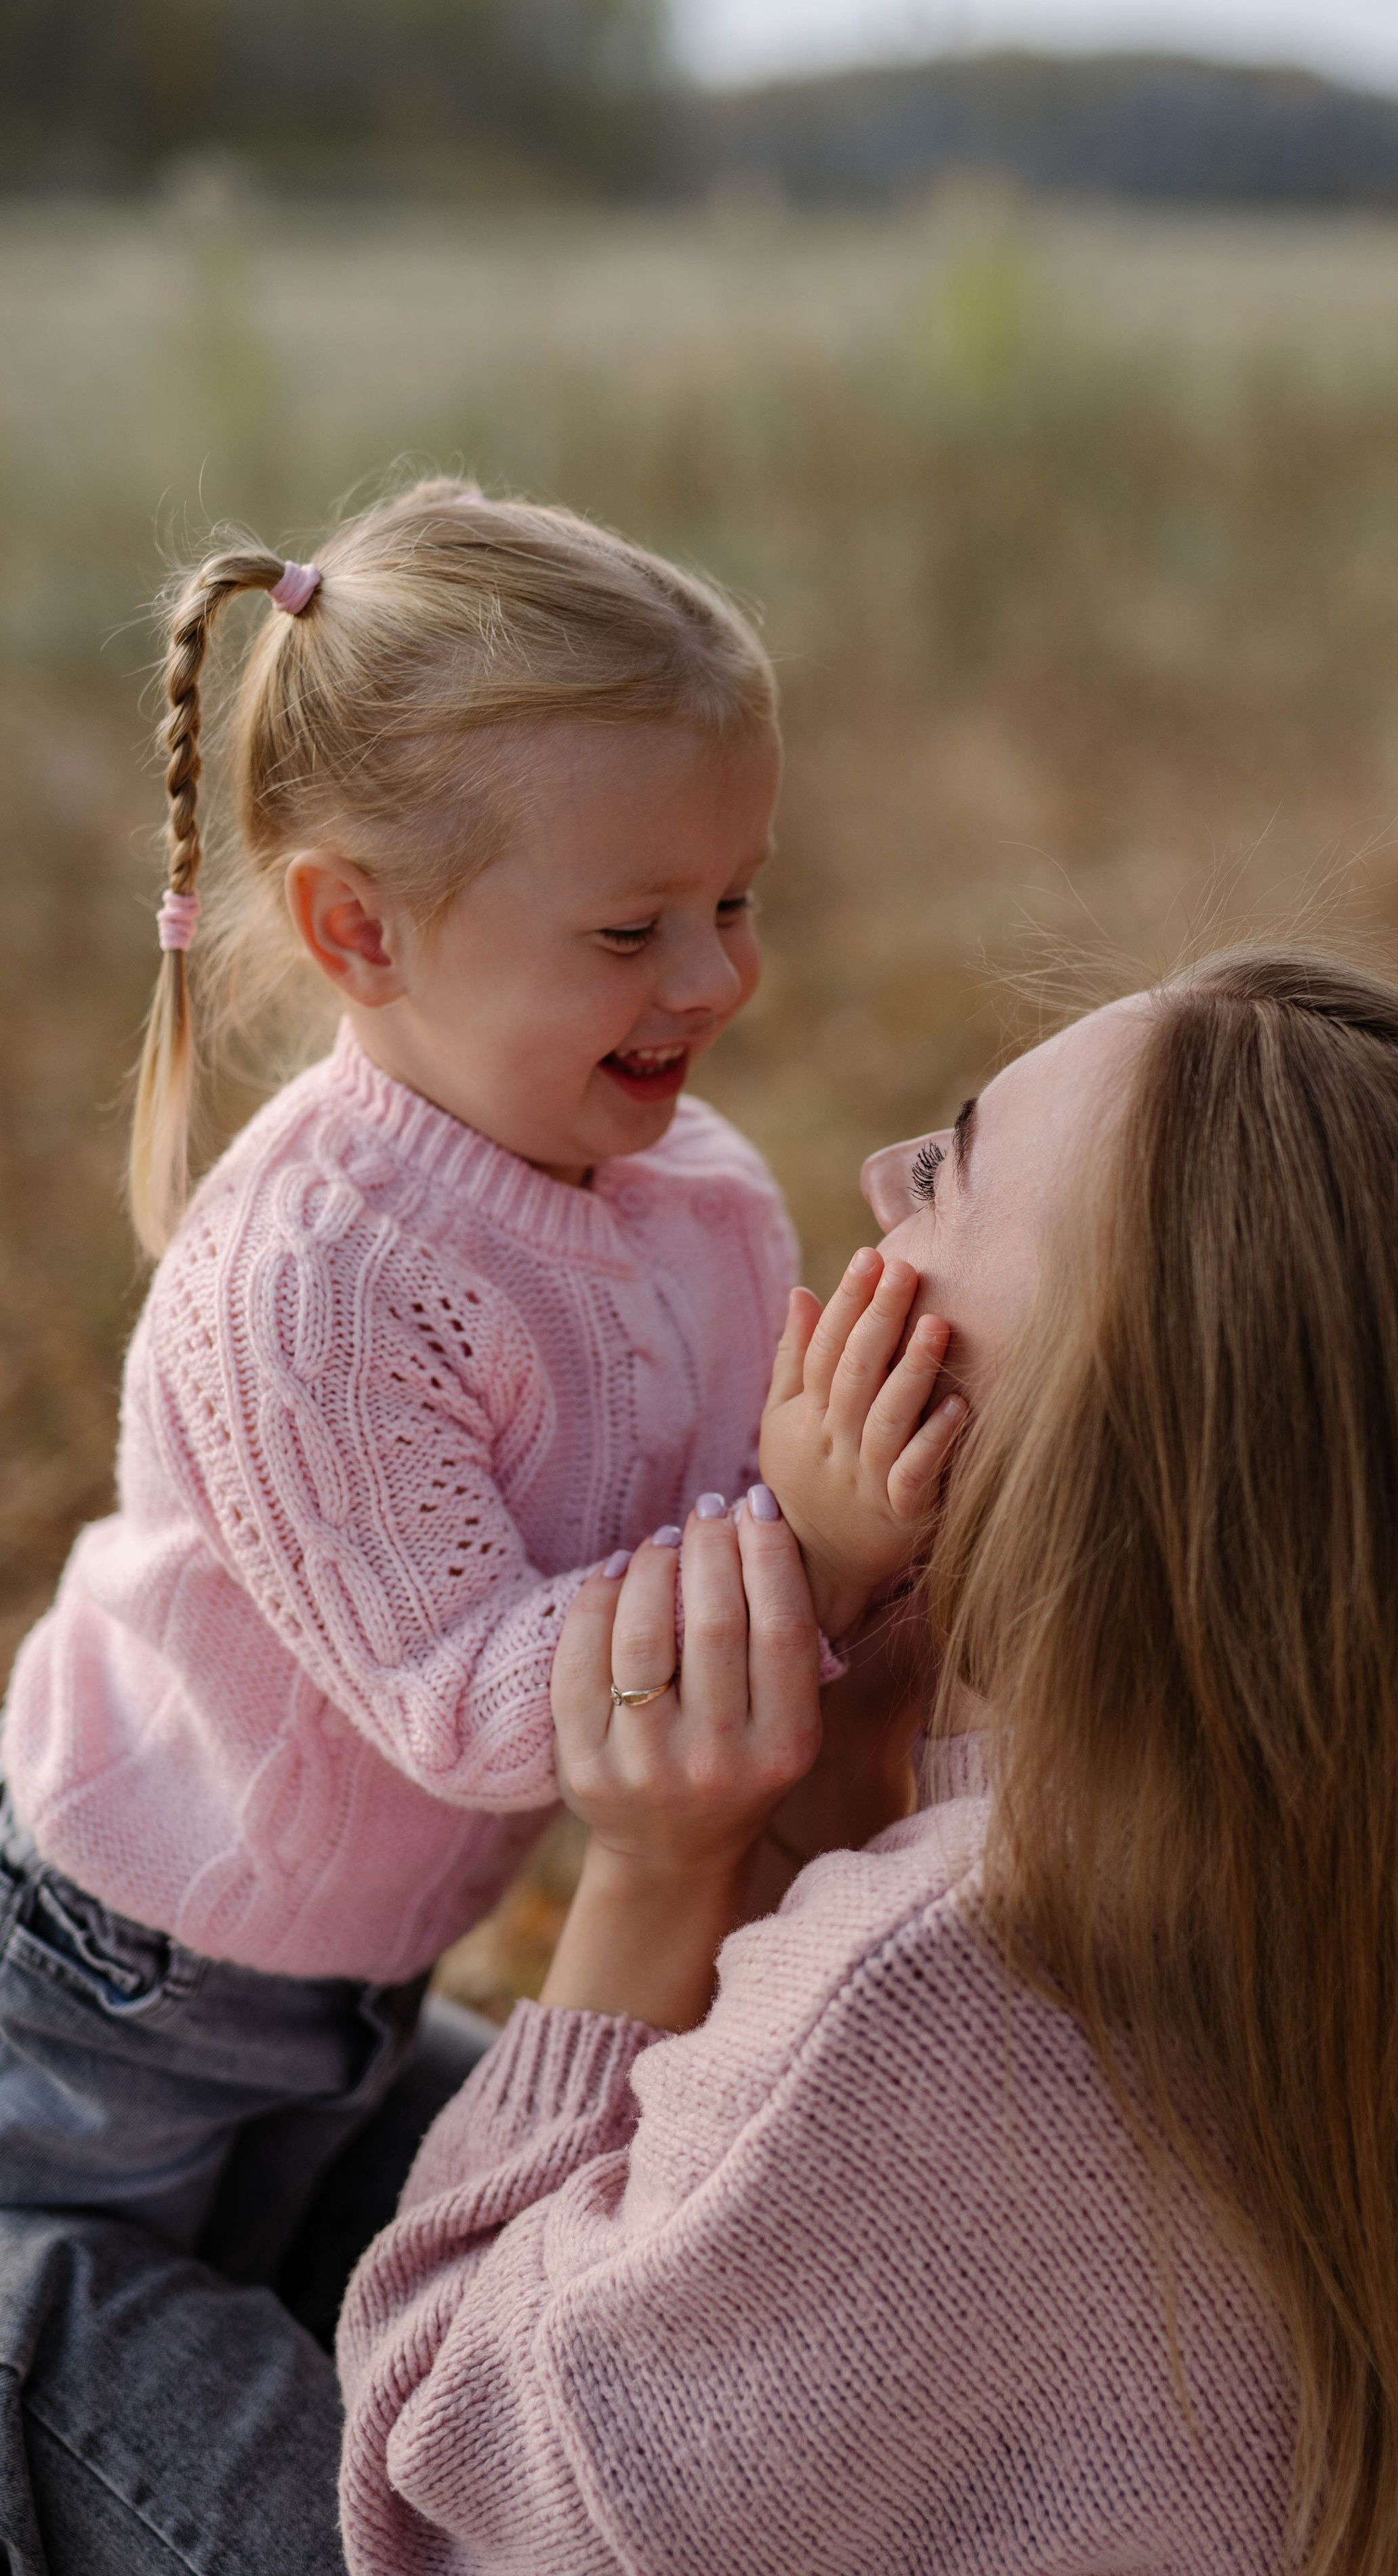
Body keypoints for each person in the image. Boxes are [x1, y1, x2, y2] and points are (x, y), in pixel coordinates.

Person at [330, 951, 1398, 2576]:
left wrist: (659, 1870)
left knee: (37, 2309)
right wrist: (841, 1808)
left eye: (942, 1173)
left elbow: (447, 2500)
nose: (872, 1189)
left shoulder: (954, 1976)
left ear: (1093, 1430)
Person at [0, 478, 964, 2285]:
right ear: (361, 932)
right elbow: (470, 1703)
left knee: (315, 2325)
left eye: (739, 896)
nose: (720, 973)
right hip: (120, 1985)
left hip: (366, 1966)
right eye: (631, 930)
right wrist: (811, 1548)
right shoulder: (318, 1279)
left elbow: (719, 1511)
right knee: (117, 2377)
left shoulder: (708, 1198)